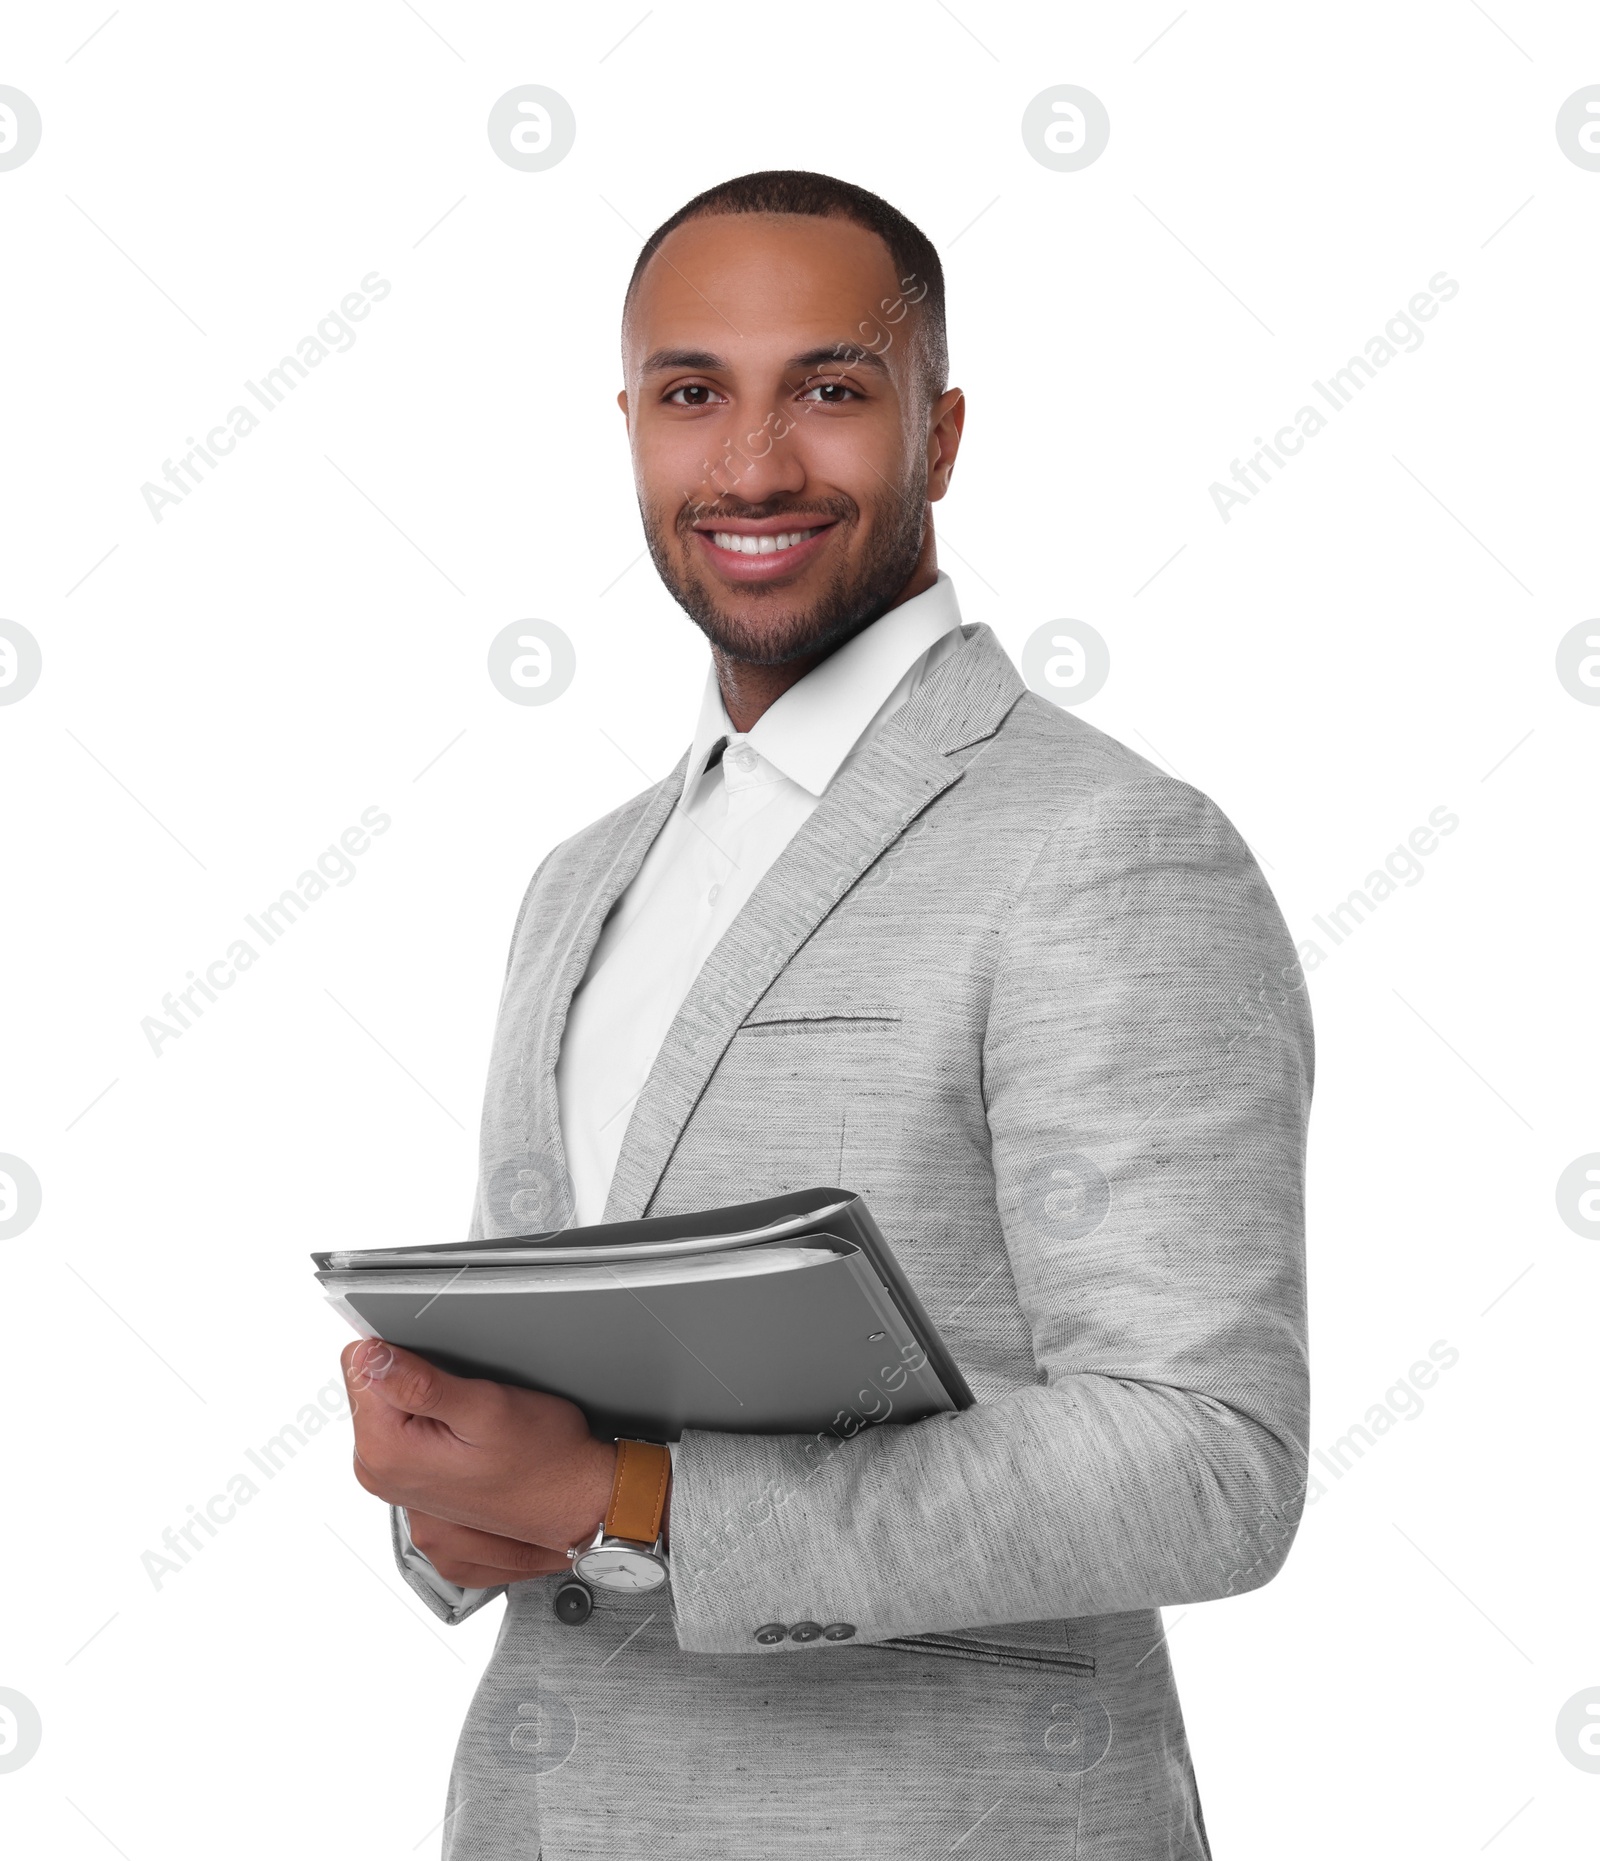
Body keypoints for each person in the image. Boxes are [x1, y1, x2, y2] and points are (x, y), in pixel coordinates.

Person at [339, 168, 1314, 1861]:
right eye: (692, 392)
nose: (755, 465)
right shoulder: (580, 882)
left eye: (833, 392)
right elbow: (543, 1384)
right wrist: (456, 1495)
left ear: (939, 437)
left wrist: (620, 1498)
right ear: (632, 424)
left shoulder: (1109, 846)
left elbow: (1207, 1457)